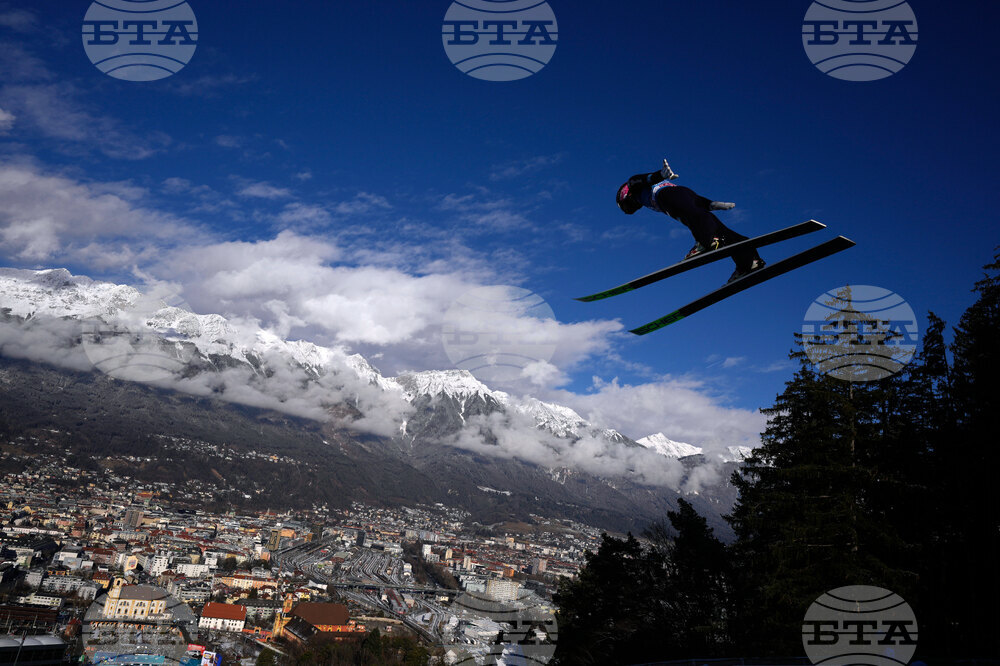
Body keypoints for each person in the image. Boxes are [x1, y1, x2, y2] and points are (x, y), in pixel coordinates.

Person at [616, 159, 765, 283]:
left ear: (624, 196)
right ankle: (749, 262)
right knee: (724, 234)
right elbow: (692, 203)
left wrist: (660, 174)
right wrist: (710, 204)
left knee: (697, 220)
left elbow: (640, 179)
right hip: (685, 194)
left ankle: (706, 242)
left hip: (667, 196)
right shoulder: (654, 192)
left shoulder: (633, 186)